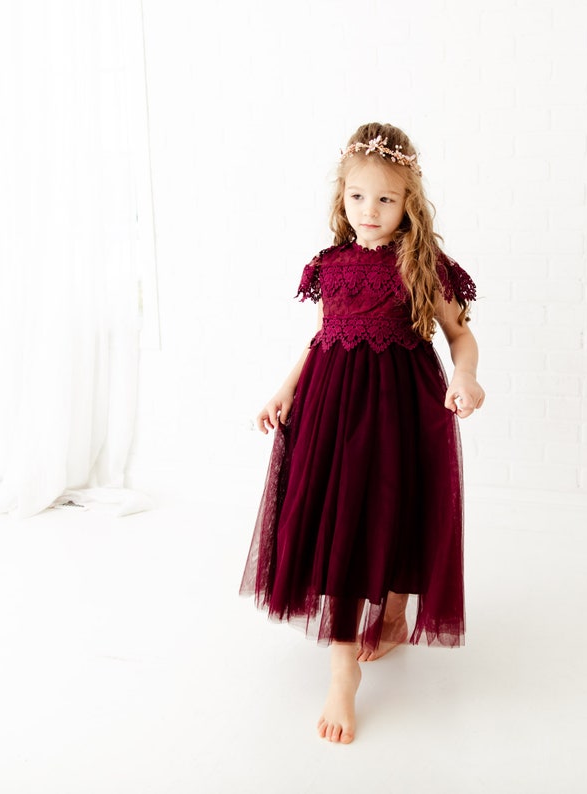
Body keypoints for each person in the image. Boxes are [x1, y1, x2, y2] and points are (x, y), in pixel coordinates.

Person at [240, 122, 485, 744]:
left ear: (409, 203)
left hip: (401, 403)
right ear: (340, 198)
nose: (368, 211)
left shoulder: (423, 262)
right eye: (356, 197)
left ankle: (395, 611)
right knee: (341, 521)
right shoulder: (331, 264)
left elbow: (459, 334)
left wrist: (465, 377)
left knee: (396, 508)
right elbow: (322, 335)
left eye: (385, 199)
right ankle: (342, 670)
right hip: (331, 405)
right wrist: (285, 389)